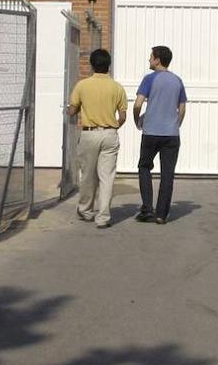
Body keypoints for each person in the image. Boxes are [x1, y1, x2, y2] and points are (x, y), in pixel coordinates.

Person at [67, 48, 128, 229]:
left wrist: (75, 108)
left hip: (89, 133)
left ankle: (86, 210)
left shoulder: (82, 85)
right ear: (108, 65)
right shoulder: (117, 87)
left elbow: (72, 110)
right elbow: (123, 116)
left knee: (87, 175)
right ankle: (103, 217)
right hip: (109, 134)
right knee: (107, 177)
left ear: (92, 65)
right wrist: (113, 126)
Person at [133, 45, 186, 225]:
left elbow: (138, 104)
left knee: (144, 166)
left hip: (151, 133)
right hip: (171, 134)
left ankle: (147, 208)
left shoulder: (149, 79)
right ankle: (161, 215)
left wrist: (137, 120)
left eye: (150, 57)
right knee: (167, 174)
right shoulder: (177, 80)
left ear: (157, 60)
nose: (149, 60)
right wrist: (175, 124)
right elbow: (182, 108)